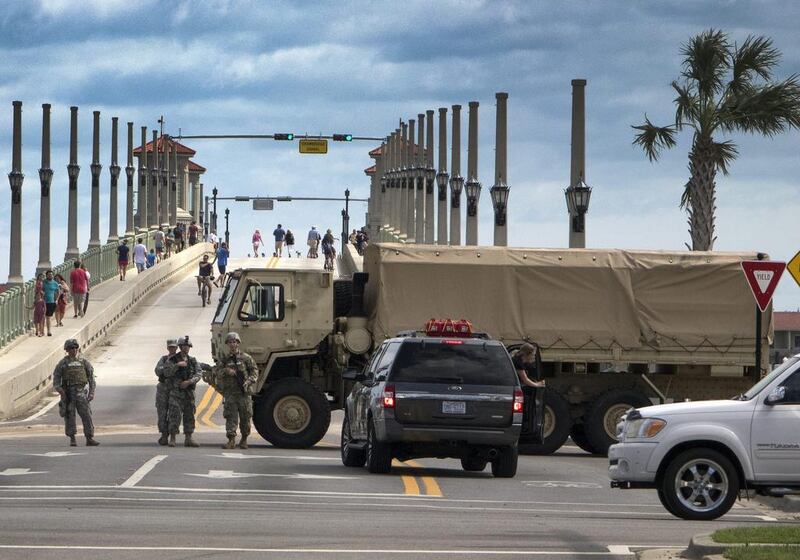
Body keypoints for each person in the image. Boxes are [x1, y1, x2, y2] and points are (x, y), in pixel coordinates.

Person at [212, 332, 258, 449]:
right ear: (228, 344)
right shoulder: (225, 359)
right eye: (230, 342)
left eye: (234, 342)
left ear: (238, 343)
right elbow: (217, 372)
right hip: (231, 393)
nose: (233, 344)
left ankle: (244, 439)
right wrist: (226, 371)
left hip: (244, 393)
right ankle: (231, 440)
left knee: (245, 417)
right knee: (231, 417)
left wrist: (249, 381)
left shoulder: (246, 358)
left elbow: (254, 371)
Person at [53, 339, 99, 447]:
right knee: (70, 416)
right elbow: (56, 379)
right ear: (67, 350)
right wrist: (62, 392)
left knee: (86, 415)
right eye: (71, 348)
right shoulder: (63, 363)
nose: (73, 350)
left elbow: (91, 377)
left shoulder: (83, 362)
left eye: (75, 348)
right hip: (68, 394)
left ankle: (89, 437)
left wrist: (91, 392)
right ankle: (72, 438)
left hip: (81, 393)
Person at [164, 336, 201, 447]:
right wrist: (177, 366)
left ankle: (188, 437)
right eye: (184, 346)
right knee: (174, 415)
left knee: (189, 415)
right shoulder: (173, 360)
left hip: (188, 393)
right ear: (180, 347)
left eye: (188, 346)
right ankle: (173, 437)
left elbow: (198, 374)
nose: (186, 348)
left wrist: (190, 381)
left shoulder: (192, 360)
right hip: (176, 392)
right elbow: (166, 373)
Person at [154, 339, 179, 445]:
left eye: (174, 347)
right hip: (163, 389)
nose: (172, 349)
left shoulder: (180, 359)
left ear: (177, 348)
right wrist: (169, 367)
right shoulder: (164, 359)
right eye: (170, 347)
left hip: (175, 389)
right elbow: (157, 371)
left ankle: (173, 436)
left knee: (174, 413)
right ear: (168, 348)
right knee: (162, 413)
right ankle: (164, 435)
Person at [42, 270, 60, 336]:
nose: (50, 276)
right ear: (46, 275)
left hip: (51, 302)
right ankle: (42, 331)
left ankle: (49, 331)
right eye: (49, 274)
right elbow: (40, 290)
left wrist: (57, 300)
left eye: (51, 274)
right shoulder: (43, 282)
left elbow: (58, 292)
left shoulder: (55, 283)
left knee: (48, 317)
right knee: (44, 317)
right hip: (43, 302)